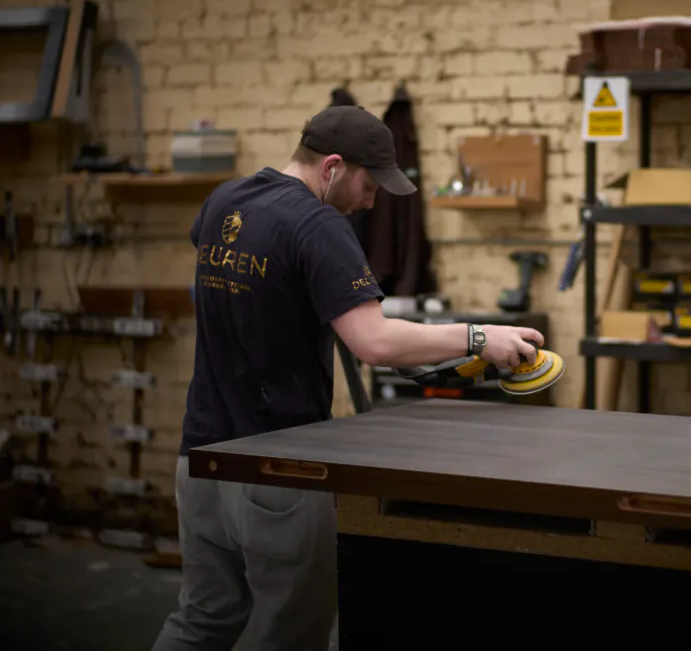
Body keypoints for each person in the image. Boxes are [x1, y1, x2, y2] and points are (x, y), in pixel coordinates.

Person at [152, 105, 544, 651]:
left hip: (199, 459)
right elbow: (375, 342)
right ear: (332, 167)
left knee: (202, 618)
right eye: (368, 184)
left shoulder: (226, 200)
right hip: (276, 471)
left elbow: (260, 289)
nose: (371, 200)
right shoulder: (317, 223)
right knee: (290, 635)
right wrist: (480, 337)